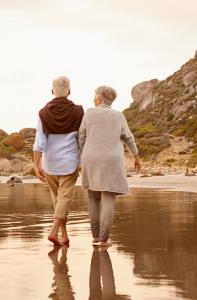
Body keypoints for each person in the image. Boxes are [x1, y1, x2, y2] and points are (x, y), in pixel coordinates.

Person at [78, 86, 141, 247]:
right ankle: (103, 239)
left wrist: (81, 158)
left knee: (93, 196)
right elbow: (128, 137)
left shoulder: (89, 113)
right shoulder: (118, 116)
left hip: (91, 157)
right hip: (112, 159)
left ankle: (95, 236)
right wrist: (136, 156)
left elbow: (81, 137)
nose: (93, 98)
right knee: (108, 197)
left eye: (94, 96)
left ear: (99, 98)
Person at [33, 76, 84, 246]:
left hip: (50, 163)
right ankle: (54, 231)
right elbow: (82, 138)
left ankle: (64, 234)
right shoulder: (78, 111)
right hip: (69, 162)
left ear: (52, 91)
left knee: (58, 200)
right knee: (64, 199)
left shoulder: (43, 113)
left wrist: (36, 164)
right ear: (69, 91)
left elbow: (39, 142)